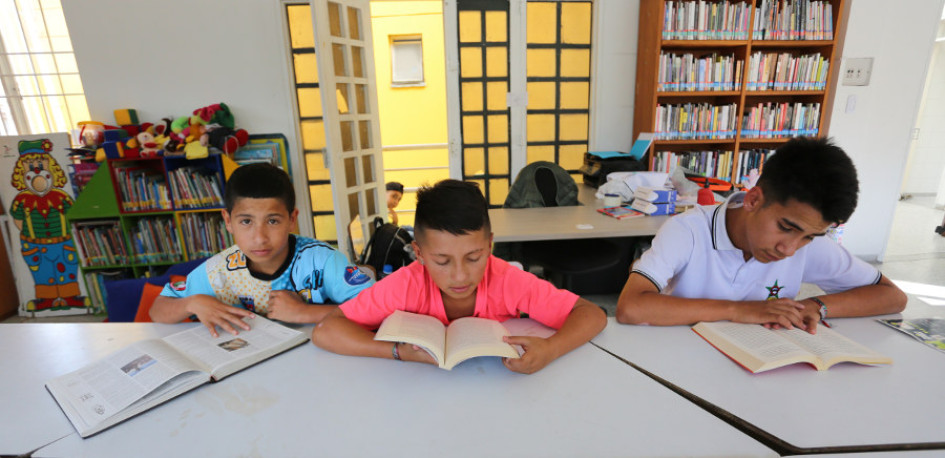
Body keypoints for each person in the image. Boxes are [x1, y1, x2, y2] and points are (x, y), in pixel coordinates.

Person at [313, 179, 606, 374]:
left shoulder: (506, 279)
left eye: (474, 257)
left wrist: (551, 350)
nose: (460, 275)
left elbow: (591, 314)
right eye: (442, 261)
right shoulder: (405, 284)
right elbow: (327, 330)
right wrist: (396, 352)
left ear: (490, 244)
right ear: (419, 253)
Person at [616, 137, 906, 334]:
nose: (790, 249)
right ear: (754, 199)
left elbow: (891, 296)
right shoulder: (688, 231)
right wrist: (739, 310)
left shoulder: (806, 244)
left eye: (809, 236)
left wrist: (814, 305)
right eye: (786, 227)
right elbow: (631, 307)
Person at [150, 163, 373, 337]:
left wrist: (304, 312)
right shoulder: (216, 272)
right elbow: (158, 310)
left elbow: (379, 308)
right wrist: (192, 302)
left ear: (292, 219)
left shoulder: (323, 261)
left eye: (273, 221)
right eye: (246, 221)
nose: (259, 238)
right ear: (228, 220)